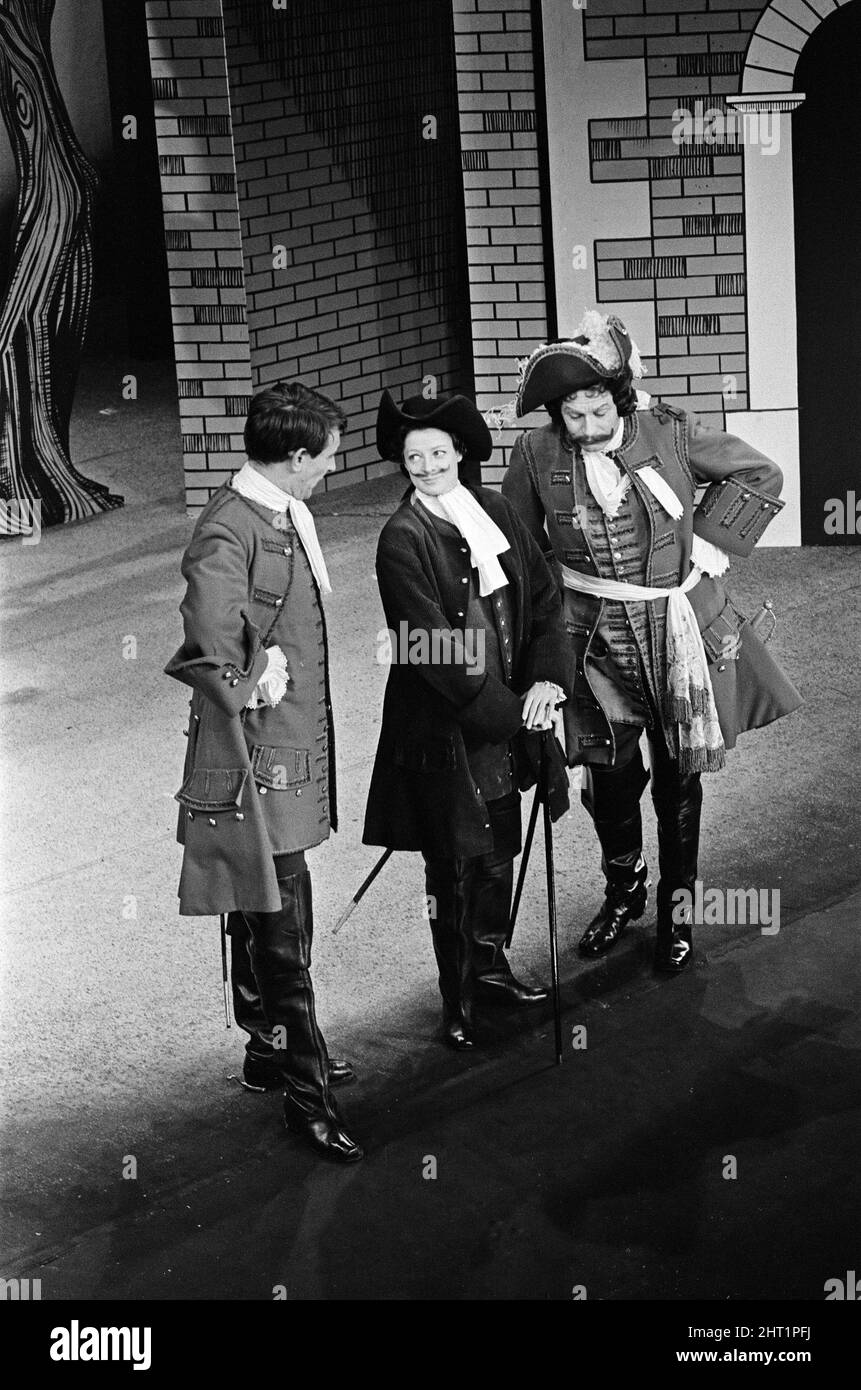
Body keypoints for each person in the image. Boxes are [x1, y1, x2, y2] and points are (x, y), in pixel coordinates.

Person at [501, 310, 801, 973]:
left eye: (596, 410)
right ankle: (623, 889)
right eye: (571, 416)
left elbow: (760, 475)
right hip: (590, 640)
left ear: (618, 397)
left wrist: (712, 548)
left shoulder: (667, 428)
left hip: (674, 630)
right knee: (608, 777)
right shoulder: (534, 454)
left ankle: (678, 910)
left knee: (677, 778)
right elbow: (519, 550)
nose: (585, 428)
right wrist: (531, 640)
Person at [165, 381, 363, 1164]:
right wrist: (257, 673)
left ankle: (268, 1048)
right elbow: (208, 641)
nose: (326, 472)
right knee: (281, 924)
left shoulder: (274, 510)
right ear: (292, 458)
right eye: (323, 461)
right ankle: (307, 1098)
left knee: (262, 905)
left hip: (286, 746)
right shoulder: (231, 529)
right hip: (256, 755)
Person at [363, 390, 570, 1050]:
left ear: (460, 451)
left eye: (436, 452)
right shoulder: (402, 537)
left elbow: (542, 597)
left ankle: (490, 968)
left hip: (508, 709)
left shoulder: (496, 508)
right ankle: (457, 998)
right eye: (412, 457)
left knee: (498, 848)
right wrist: (514, 717)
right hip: (449, 728)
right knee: (453, 865)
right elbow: (432, 648)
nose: (425, 466)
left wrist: (545, 680)